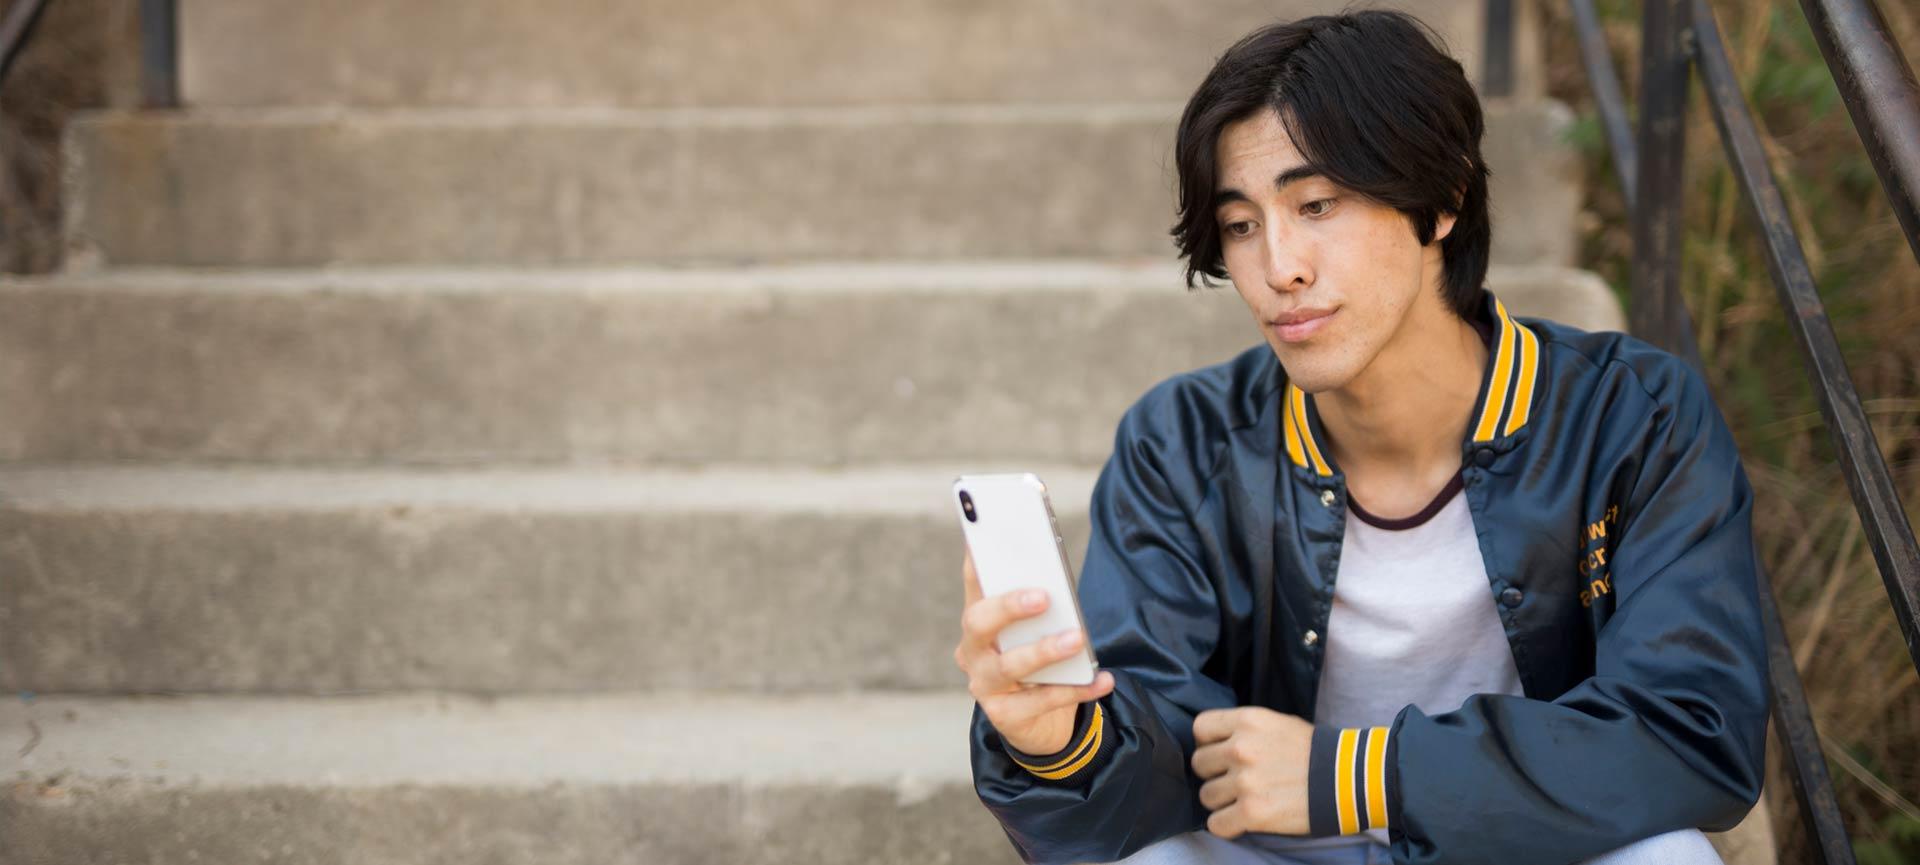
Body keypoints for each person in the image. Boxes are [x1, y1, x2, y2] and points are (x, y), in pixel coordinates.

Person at [952, 10, 1768, 865]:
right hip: (1280, 850)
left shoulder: (1630, 415)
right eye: (1240, 224)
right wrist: (1056, 743)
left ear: (1444, 195)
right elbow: (1148, 765)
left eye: (1317, 204)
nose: (1279, 266)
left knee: (1667, 854)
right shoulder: (1183, 442)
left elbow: (1693, 732)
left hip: (1522, 847)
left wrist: (1358, 775)